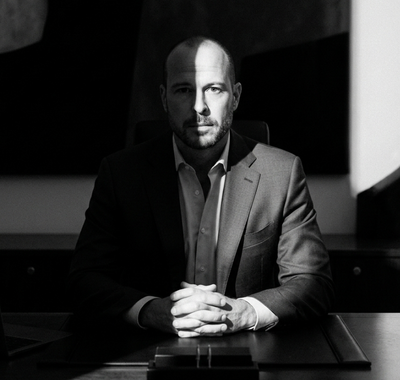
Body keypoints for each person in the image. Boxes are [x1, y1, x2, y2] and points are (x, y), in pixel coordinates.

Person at [66, 36, 334, 338]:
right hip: (145, 348)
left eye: (214, 89)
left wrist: (244, 312)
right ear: (164, 98)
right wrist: (150, 311)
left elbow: (313, 284)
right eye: (184, 90)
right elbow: (84, 281)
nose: (199, 107)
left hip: (248, 348)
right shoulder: (121, 174)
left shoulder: (282, 173)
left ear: (235, 96)